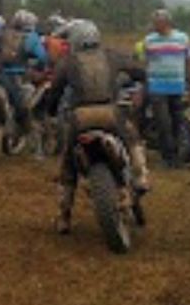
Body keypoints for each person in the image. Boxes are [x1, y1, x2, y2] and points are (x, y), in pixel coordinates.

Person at [46, 20, 149, 234]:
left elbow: (54, 91)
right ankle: (140, 176)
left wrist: (51, 110)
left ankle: (64, 216)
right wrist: (139, 88)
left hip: (80, 117)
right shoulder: (111, 56)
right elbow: (139, 72)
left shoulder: (68, 62)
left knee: (67, 165)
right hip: (110, 114)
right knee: (132, 137)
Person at [134, 9, 190, 168]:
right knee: (163, 122)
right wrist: (143, 86)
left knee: (177, 121)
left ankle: (175, 155)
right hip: (156, 86)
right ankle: (168, 157)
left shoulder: (182, 38)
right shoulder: (149, 40)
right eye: (154, 22)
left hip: (177, 86)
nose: (155, 25)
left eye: (157, 22)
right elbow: (145, 65)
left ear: (166, 23)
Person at [0, 9, 48, 135]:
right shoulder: (32, 37)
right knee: (29, 100)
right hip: (20, 74)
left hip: (0, 73)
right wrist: (40, 66)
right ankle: (27, 125)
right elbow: (42, 57)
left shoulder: (5, 33)